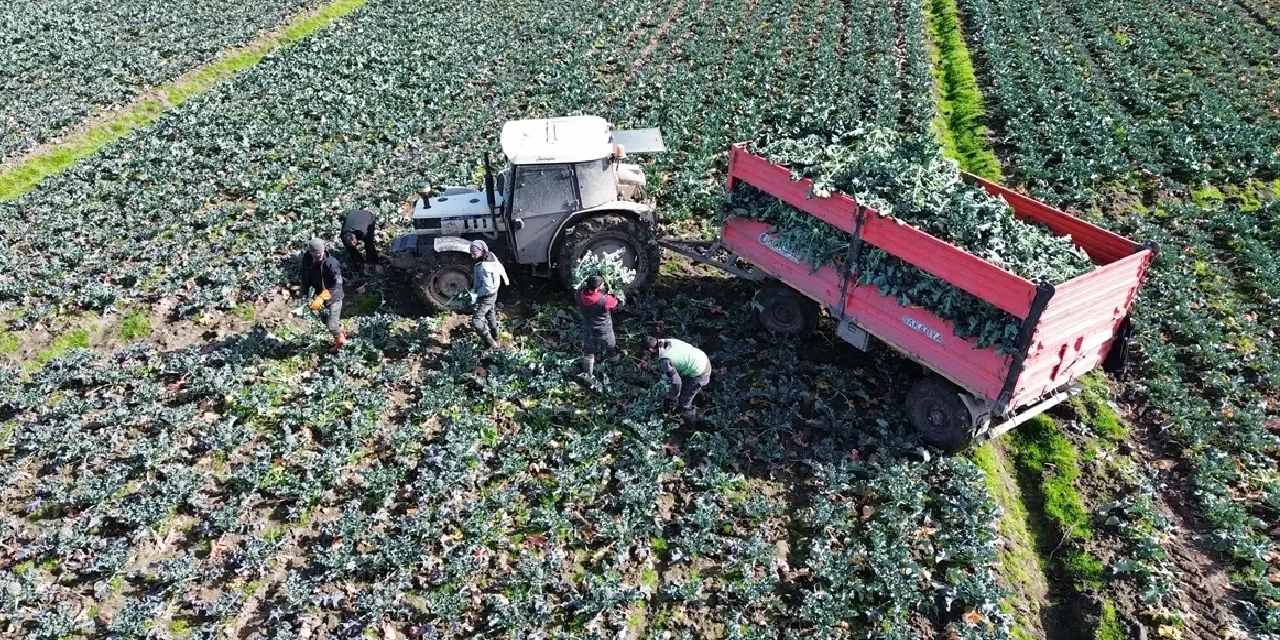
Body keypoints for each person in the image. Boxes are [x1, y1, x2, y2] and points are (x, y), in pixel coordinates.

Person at [646, 336, 711, 419]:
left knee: (683, 403)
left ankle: (692, 425)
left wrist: (672, 397)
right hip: (704, 359)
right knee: (686, 386)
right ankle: (704, 400)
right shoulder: (667, 340)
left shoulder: (665, 361)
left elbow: (677, 382)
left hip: (701, 374)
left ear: (650, 350)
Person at [301, 238, 347, 350]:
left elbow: (338, 283)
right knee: (325, 319)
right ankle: (340, 330)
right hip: (318, 294)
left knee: (331, 325)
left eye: (320, 254)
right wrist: (305, 294)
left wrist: (323, 296)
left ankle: (340, 343)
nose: (318, 257)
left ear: (324, 250)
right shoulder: (307, 260)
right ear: (310, 252)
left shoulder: (332, 263)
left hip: (334, 297)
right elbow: (304, 277)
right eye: (315, 255)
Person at [576, 275, 622, 384]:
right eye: (602, 285)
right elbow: (616, 304)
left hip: (588, 329)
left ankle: (588, 375)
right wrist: (612, 294)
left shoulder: (579, 294)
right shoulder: (604, 300)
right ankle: (615, 362)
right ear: (597, 288)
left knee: (588, 351)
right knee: (611, 346)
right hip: (604, 330)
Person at [468, 240, 509, 349]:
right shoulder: (490, 256)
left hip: (487, 295)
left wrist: (475, 294)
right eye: (471, 253)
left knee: (476, 321)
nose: (472, 256)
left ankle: (491, 343)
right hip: (493, 294)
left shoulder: (484, 267)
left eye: (474, 253)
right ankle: (496, 338)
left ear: (482, 250)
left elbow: (487, 288)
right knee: (490, 314)